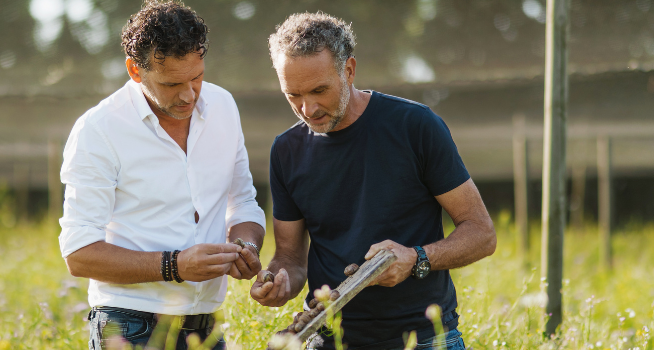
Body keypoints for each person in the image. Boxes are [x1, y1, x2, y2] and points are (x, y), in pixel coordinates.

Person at [250, 12, 497, 350]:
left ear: (349, 70)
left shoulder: (415, 126)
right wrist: (278, 282)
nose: (308, 108)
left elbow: (482, 233)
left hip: (424, 339)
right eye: (293, 95)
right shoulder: (286, 150)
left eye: (319, 90)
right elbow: (291, 259)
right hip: (330, 339)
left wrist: (416, 259)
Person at [58, 2, 265, 349]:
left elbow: (242, 202)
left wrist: (246, 247)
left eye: (196, 77)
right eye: (171, 84)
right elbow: (78, 254)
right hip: (130, 325)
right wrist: (175, 266)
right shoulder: (99, 129)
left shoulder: (224, 106)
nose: (188, 95)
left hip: (207, 326)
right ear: (135, 71)